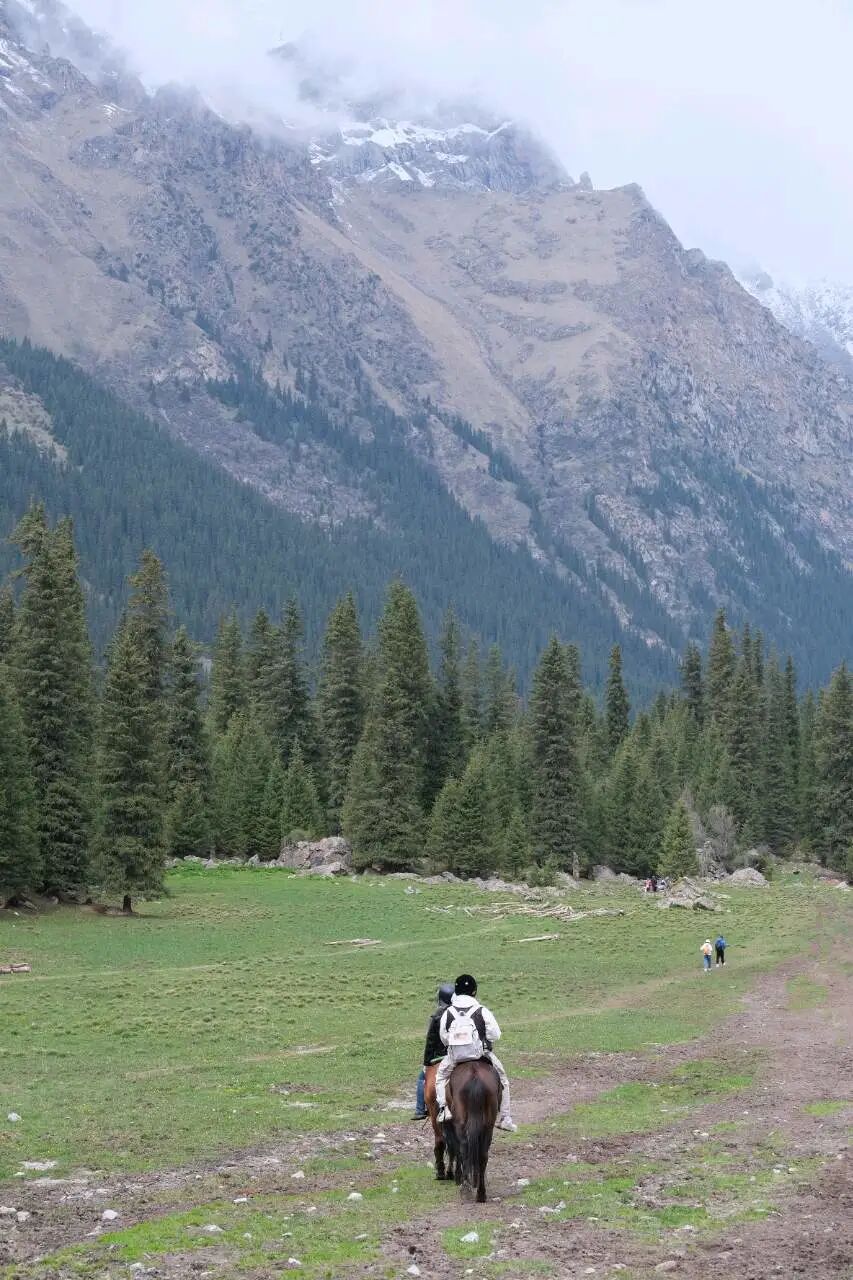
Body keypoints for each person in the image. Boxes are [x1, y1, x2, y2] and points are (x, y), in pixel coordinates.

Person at [434, 974, 517, 1132]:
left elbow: (444, 1037)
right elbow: (495, 1034)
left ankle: (444, 1109)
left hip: (455, 1057)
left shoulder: (448, 1012)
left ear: (456, 992)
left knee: (440, 1077)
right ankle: (505, 1117)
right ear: (474, 992)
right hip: (480, 1054)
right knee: (504, 1080)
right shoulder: (482, 1010)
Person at [412, 982, 454, 1120]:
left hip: (439, 1056)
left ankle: (420, 1109)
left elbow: (430, 1042)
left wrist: (427, 1063)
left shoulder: (437, 1017)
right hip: (458, 1053)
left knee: (422, 1077)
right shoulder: (459, 1013)